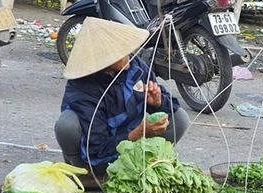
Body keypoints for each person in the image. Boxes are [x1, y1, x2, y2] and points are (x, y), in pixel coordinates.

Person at [54, 17, 189, 175]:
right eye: (120, 53)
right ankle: (86, 173)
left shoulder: (135, 66)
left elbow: (170, 105)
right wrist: (137, 134)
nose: (128, 55)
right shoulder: (82, 90)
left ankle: (143, 163)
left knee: (179, 117)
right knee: (67, 124)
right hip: (100, 150)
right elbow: (96, 150)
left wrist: (158, 103)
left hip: (134, 139)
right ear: (104, 59)